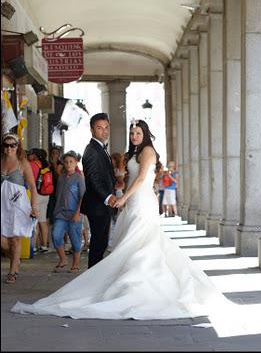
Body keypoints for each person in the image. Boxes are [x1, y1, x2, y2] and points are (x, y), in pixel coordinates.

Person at [10, 120, 237, 327]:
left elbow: (140, 179)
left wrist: (123, 198)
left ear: (145, 134)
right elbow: (126, 176)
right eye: (132, 133)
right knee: (129, 245)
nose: (135, 136)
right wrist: (120, 189)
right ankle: (124, 283)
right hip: (131, 203)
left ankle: (139, 287)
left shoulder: (147, 151)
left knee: (142, 245)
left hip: (140, 203)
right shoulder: (133, 152)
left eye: (138, 132)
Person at [79, 113, 117, 269]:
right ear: (92, 130)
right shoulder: (92, 150)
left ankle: (95, 277)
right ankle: (92, 279)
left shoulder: (100, 148)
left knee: (100, 244)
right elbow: (94, 180)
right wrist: (108, 197)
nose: (104, 131)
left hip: (101, 206)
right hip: (98, 206)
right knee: (97, 245)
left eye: (106, 127)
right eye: (99, 128)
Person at [1, 133, 39, 284]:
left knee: (15, 238)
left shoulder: (23, 163)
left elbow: (33, 187)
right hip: (3, 205)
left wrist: (34, 207)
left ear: (18, 146)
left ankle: (12, 271)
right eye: (6, 145)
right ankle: (15, 260)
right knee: (5, 241)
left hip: (18, 205)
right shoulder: (1, 161)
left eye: (13, 145)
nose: (9, 148)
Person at [52, 150, 86, 273]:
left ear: (76, 163)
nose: (68, 164)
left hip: (74, 214)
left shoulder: (79, 178)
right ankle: (63, 259)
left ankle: (75, 264)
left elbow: (83, 197)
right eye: (66, 162)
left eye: (71, 161)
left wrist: (78, 213)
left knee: (75, 239)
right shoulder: (61, 178)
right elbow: (58, 195)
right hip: (60, 213)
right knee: (56, 235)